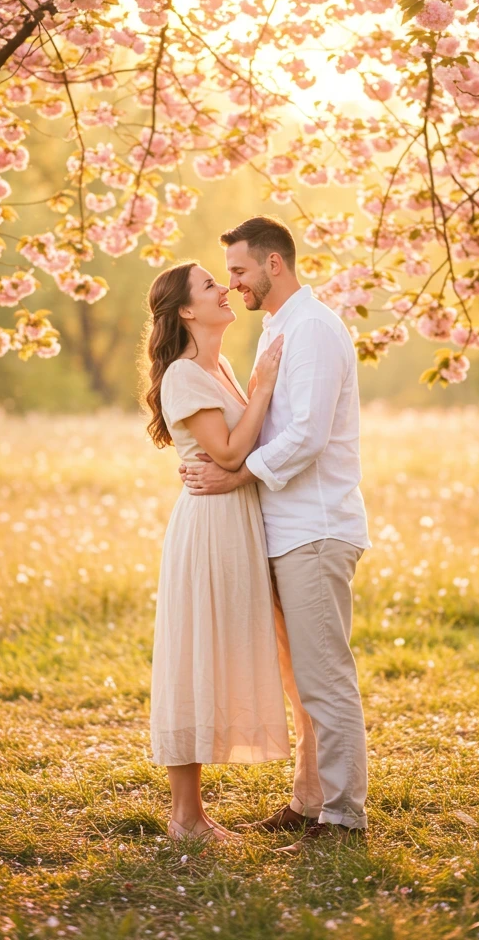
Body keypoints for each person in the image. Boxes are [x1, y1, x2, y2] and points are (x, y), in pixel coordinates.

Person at [181, 216, 371, 850]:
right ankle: (309, 800)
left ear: (274, 266)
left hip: (314, 528)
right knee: (300, 681)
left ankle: (343, 817)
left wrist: (238, 477)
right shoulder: (277, 330)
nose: (233, 285)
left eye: (239, 272)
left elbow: (308, 436)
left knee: (323, 678)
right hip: (284, 529)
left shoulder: (312, 329)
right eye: (226, 275)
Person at [142, 259, 290, 842]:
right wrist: (264, 389)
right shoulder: (183, 376)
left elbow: (238, 455)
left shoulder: (221, 365)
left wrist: (252, 389)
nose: (224, 288)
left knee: (216, 651)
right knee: (193, 653)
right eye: (210, 286)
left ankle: (194, 815)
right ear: (185, 311)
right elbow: (228, 454)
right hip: (207, 528)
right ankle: (185, 817)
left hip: (236, 523)